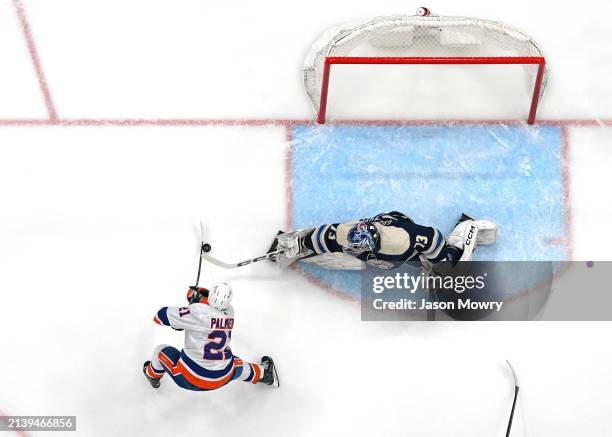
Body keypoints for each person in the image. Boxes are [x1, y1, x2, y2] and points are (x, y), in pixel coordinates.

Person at [143, 283, 278, 390]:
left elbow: (160, 316)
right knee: (237, 364)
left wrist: (193, 303)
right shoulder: (230, 312)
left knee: (160, 351)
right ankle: (264, 374)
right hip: (223, 375)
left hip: (191, 377)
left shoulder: (197, 312)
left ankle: (152, 375)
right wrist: (198, 300)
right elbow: (211, 310)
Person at [269, 211, 496, 270]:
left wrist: (444, 258)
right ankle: (292, 246)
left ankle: (457, 246)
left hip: (404, 246)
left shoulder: (403, 240)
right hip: (379, 252)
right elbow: (325, 235)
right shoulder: (346, 234)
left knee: (446, 265)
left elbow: (431, 238)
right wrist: (301, 244)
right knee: (331, 249)